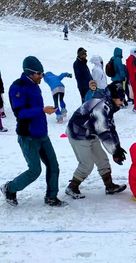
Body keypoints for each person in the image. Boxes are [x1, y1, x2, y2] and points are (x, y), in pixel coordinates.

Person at [1, 56, 65, 206]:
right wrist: (42, 110)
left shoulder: (35, 85)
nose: (42, 76)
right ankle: (9, 188)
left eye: (42, 73)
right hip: (28, 136)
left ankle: (51, 197)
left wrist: (44, 111)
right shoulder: (18, 87)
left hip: (42, 134)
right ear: (29, 72)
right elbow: (20, 113)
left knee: (53, 166)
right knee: (35, 170)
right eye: (39, 73)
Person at [65, 82, 127, 199]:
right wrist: (115, 151)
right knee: (87, 164)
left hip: (90, 133)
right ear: (112, 97)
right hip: (78, 134)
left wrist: (117, 148)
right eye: (121, 99)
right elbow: (104, 132)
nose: (122, 102)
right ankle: (72, 187)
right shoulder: (101, 109)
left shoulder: (108, 106)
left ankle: (109, 186)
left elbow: (111, 128)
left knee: (102, 160)